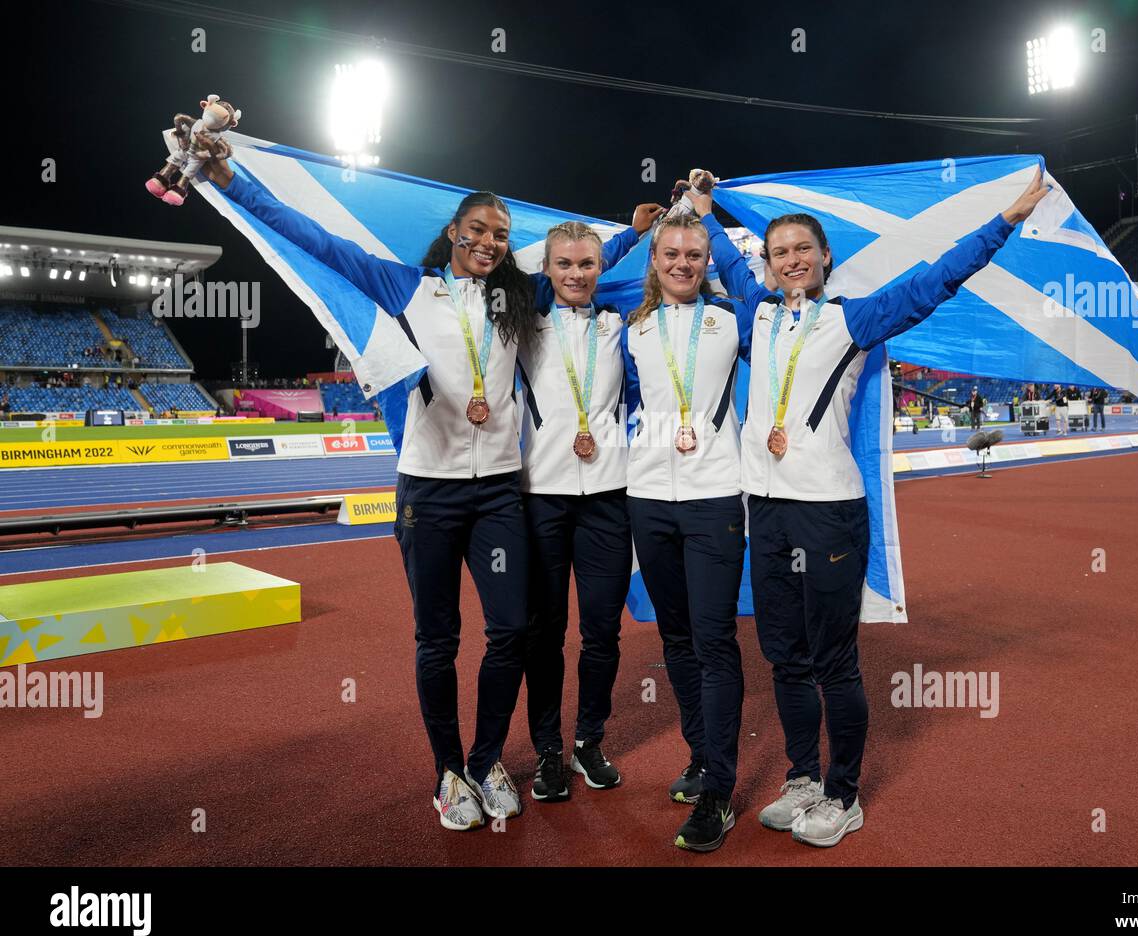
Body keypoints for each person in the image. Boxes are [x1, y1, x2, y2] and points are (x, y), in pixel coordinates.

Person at [199, 130, 570, 832]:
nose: (491, 242)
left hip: (497, 491)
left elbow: (591, 264)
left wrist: (665, 226)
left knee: (511, 628)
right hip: (428, 491)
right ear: (454, 232)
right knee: (437, 639)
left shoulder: (521, 298)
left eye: (502, 234)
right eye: (479, 230)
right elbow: (312, 239)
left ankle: (487, 759)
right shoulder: (406, 286)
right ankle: (447, 773)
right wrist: (232, 183)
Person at [691, 165, 1047, 848]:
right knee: (784, 658)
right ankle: (801, 780)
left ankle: (844, 792)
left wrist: (1005, 222)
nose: (790, 260)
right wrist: (705, 211)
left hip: (826, 512)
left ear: (825, 258)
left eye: (803, 250)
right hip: (763, 508)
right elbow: (728, 260)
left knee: (833, 662)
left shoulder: (855, 318)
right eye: (779, 252)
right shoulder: (755, 309)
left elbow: (936, 279)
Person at [515, 209, 665, 804]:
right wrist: (627, 232)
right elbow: (505, 275)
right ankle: (548, 749)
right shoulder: (526, 319)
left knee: (602, 631)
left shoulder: (616, 323)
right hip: (541, 497)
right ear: (546, 269)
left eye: (586, 264)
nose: (576, 274)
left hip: (607, 496)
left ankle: (588, 741)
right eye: (564, 264)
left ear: (602, 268)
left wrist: (635, 236)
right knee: (543, 632)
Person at [619, 211, 752, 852]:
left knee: (714, 639)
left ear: (706, 260)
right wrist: (626, 229)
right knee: (675, 637)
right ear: (653, 260)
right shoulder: (634, 327)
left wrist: (710, 220)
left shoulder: (732, 320)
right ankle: (701, 756)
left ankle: (720, 793)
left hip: (714, 496)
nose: (681, 262)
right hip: (648, 497)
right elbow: (556, 287)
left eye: (693, 254)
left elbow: (752, 284)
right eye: (669, 253)